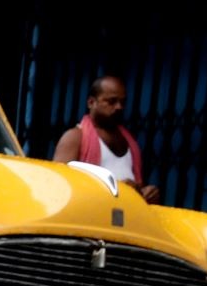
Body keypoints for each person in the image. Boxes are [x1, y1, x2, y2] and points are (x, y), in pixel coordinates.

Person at [52, 75, 160, 204]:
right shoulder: (74, 137)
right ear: (91, 102)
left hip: (125, 213)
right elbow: (59, 185)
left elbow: (136, 186)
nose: (119, 107)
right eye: (111, 101)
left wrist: (146, 193)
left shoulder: (130, 142)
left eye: (122, 102)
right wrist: (117, 189)